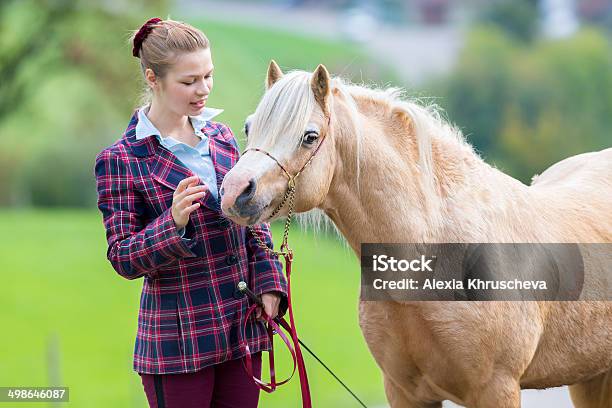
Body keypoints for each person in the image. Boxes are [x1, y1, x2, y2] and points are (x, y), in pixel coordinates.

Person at [94, 17, 288, 408]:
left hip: (241, 327)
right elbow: (123, 257)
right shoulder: (121, 160)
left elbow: (255, 224)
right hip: (177, 344)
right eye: (189, 82)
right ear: (153, 78)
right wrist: (173, 222)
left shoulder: (222, 138)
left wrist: (270, 283)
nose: (203, 90)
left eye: (208, 76)